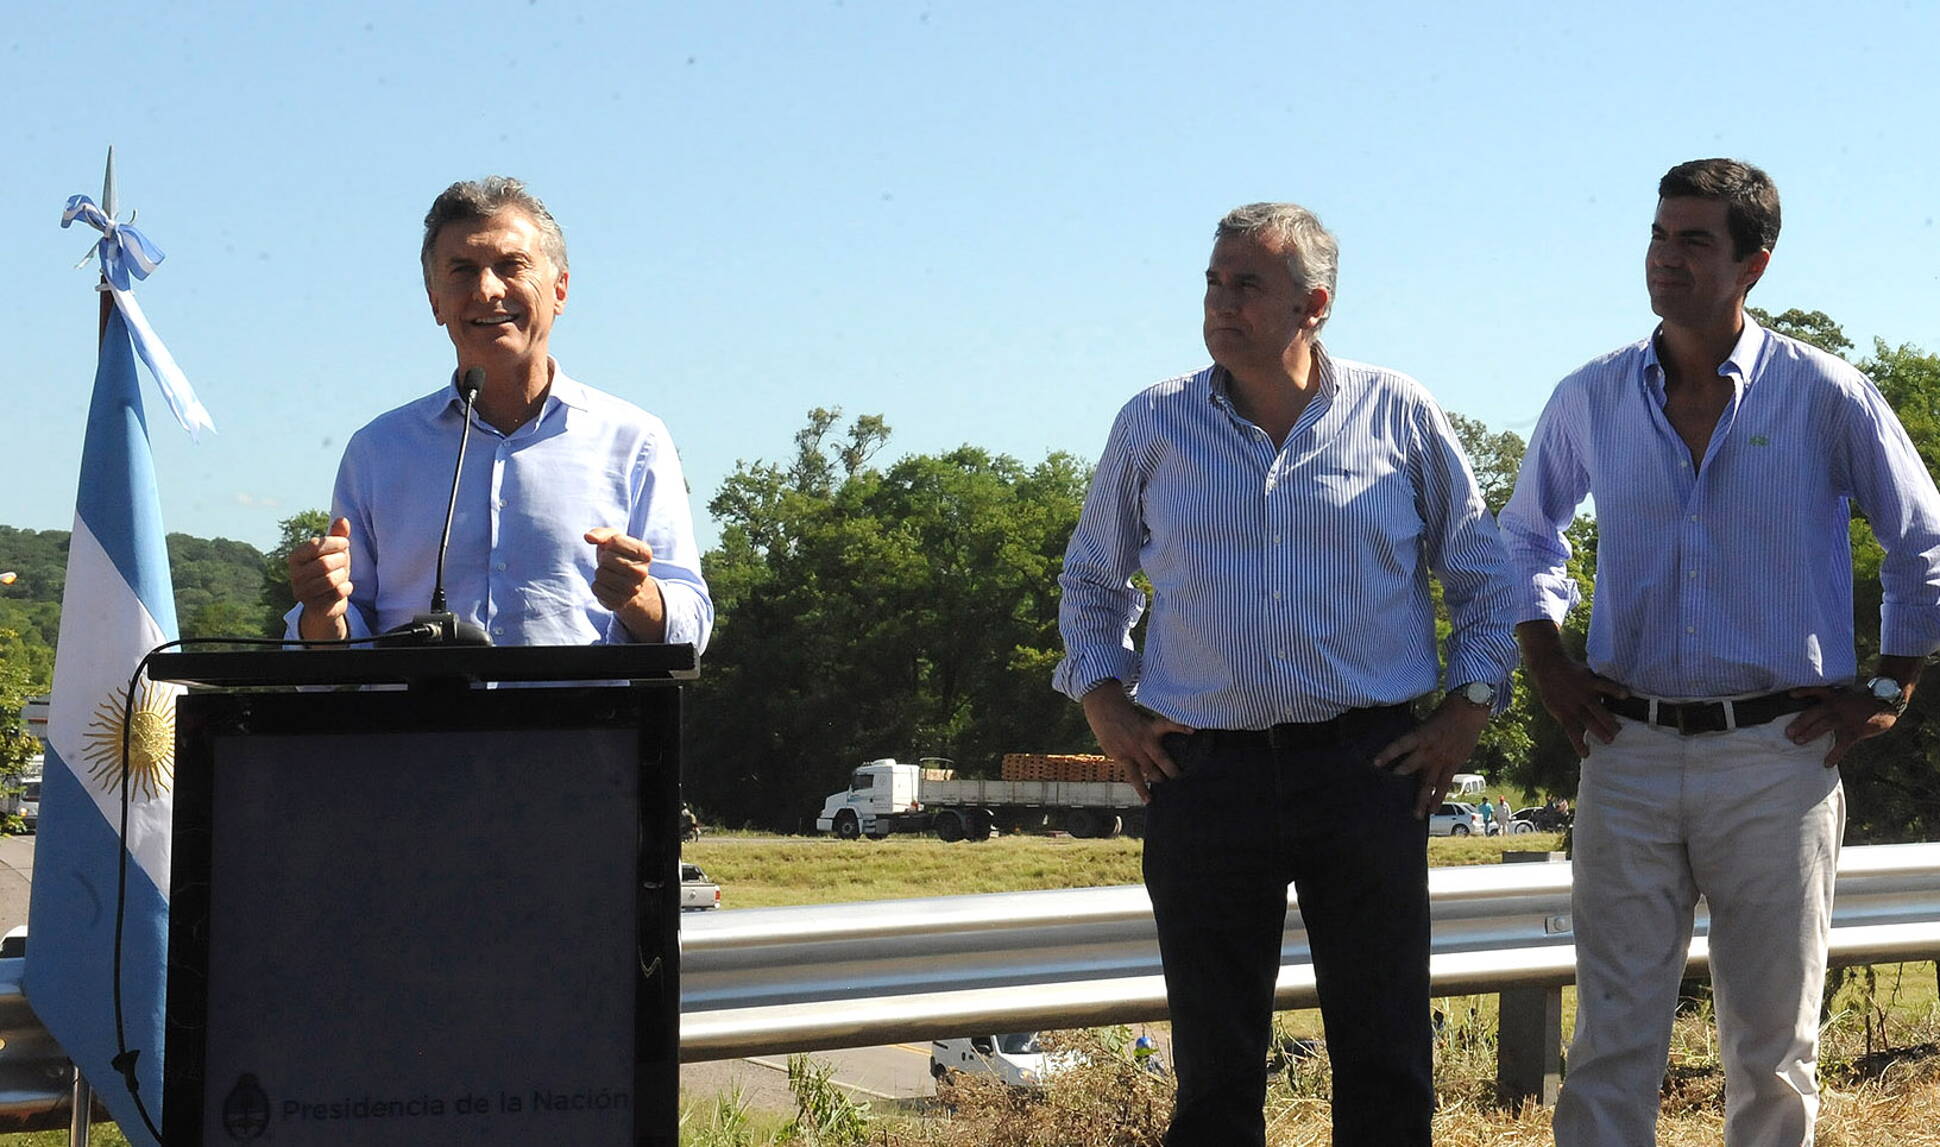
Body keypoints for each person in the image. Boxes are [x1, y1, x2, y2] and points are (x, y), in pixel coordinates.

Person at [1055, 202, 1519, 1146]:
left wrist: (1469, 707)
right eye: (1214, 283)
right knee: (1216, 1071)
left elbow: (1482, 573)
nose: (1221, 305)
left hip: (1368, 768)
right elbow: (1091, 578)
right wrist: (1104, 701)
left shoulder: (1400, 412)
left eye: (1247, 286)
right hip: (1203, 772)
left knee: (1386, 1053)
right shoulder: (1155, 422)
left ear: (1314, 305)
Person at [1499, 158, 1940, 1146]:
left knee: (1771, 1046)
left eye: (1694, 241)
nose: (1665, 259)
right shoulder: (1592, 396)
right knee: (1611, 1036)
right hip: (1626, 745)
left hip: (1775, 751)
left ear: (1753, 264)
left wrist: (1887, 682)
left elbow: (1922, 541)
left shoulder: (1823, 394)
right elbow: (1523, 536)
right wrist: (1547, 661)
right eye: (1659, 235)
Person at [285, 177, 712, 650]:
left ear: (560, 291)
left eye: (512, 266)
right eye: (462, 271)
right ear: (435, 302)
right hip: (411, 725)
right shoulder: (378, 451)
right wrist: (322, 612)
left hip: (583, 723)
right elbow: (338, 646)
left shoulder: (634, 441)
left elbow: (690, 629)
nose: (487, 290)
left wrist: (638, 596)